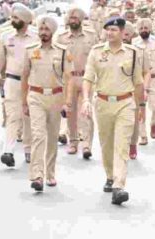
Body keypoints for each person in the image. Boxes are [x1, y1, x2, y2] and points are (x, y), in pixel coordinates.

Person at [81, 17, 145, 205]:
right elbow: (88, 78)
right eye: (107, 29)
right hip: (102, 103)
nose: (110, 33)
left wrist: (141, 106)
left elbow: (138, 83)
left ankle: (119, 185)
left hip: (125, 103)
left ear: (123, 32)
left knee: (121, 145)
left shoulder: (132, 53)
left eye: (114, 30)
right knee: (106, 144)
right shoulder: (96, 52)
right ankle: (110, 175)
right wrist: (85, 100)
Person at [21, 15, 73, 192]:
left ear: (53, 31)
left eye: (47, 29)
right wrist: (23, 102)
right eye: (41, 29)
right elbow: (24, 76)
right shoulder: (30, 50)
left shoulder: (63, 51)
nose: (43, 33)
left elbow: (68, 78)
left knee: (52, 137)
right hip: (35, 96)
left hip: (56, 97)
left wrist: (67, 102)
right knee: (38, 135)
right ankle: (37, 175)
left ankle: (50, 172)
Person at [0, 3, 36, 166]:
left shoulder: (36, 38)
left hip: (32, 84)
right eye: (12, 17)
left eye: (16, 18)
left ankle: (28, 149)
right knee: (13, 116)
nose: (12, 20)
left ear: (25, 20)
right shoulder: (6, 37)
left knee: (28, 117)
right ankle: (8, 151)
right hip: (12, 81)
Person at [55, 7, 98, 160]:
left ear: (81, 20)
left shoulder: (91, 36)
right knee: (71, 112)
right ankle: (73, 142)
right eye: (70, 18)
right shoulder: (61, 38)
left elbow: (97, 57)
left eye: (75, 18)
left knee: (86, 111)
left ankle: (86, 144)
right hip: (69, 80)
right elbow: (56, 59)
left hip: (86, 78)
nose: (72, 21)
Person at [132, 18, 155, 145]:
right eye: (141, 28)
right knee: (140, 107)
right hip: (140, 80)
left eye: (146, 28)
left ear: (150, 29)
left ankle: (153, 124)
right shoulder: (134, 43)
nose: (143, 30)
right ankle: (143, 135)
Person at [123, 20, 151, 160]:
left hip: (135, 89)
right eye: (122, 33)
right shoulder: (109, 50)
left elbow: (146, 72)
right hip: (117, 90)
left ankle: (133, 144)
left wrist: (144, 89)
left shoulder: (139, 51)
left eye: (127, 34)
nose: (124, 37)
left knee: (134, 120)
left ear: (132, 35)